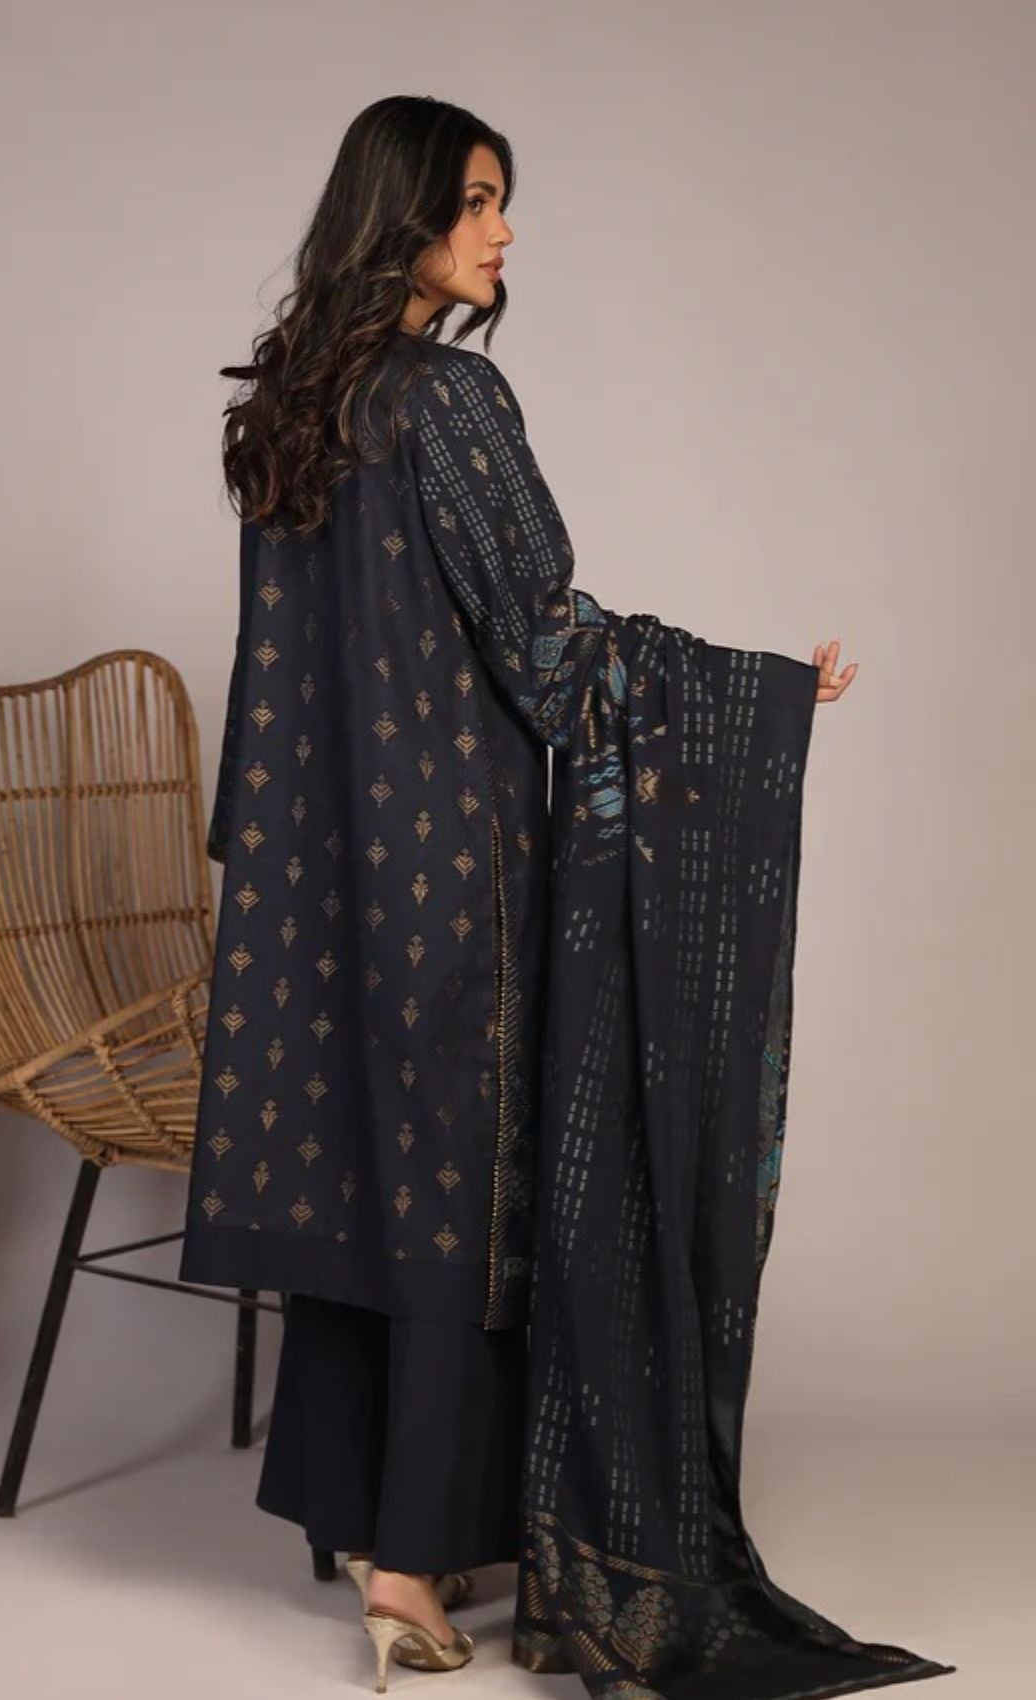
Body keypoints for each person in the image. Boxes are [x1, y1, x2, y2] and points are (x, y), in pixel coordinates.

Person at [180, 96, 955, 1700]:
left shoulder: (293, 410)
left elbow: (270, 678)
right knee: (453, 1197)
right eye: (476, 200)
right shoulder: (448, 399)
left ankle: (356, 1519)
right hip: (442, 871)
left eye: (501, 203)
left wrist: (265, 868)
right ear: (402, 211)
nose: (503, 232)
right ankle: (411, 1569)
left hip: (310, 873)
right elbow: (545, 644)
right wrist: (753, 696)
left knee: (362, 1183)